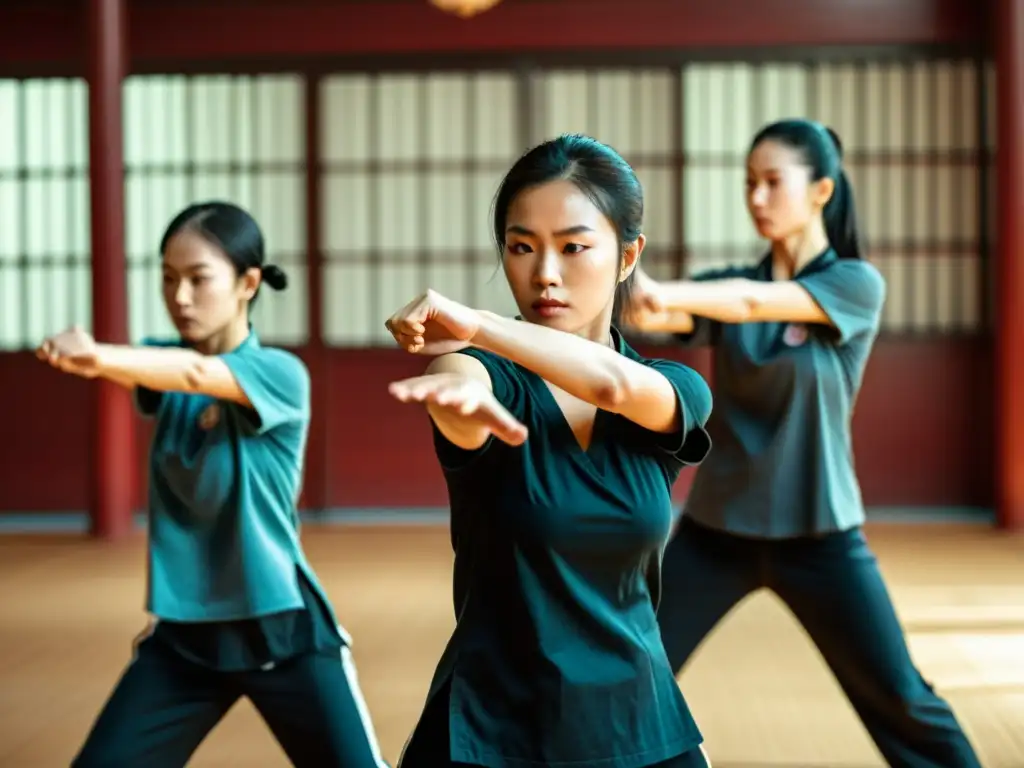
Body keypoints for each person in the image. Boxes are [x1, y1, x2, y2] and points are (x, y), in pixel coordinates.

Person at [624, 119, 982, 767]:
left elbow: (755, 304)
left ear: (821, 191)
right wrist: (620, 280)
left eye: (771, 182)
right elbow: (663, 315)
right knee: (629, 672)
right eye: (748, 184)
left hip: (821, 537)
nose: (756, 198)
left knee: (902, 701)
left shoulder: (852, 285)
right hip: (717, 535)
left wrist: (666, 290)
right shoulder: (729, 287)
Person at [384, 134, 715, 768]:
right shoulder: (480, 372)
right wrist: (457, 403)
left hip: (637, 721)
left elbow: (611, 383)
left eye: (574, 247)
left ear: (627, 256)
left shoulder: (673, 390)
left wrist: (480, 322)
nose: (545, 275)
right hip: (493, 731)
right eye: (521, 247)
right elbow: (458, 388)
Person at [38, 201, 389, 768]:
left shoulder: (280, 375)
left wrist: (98, 355)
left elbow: (199, 373)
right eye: (168, 278)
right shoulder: (158, 362)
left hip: (281, 635)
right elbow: (166, 366)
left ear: (248, 283)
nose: (179, 296)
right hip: (184, 642)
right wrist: (105, 356)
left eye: (198, 279)